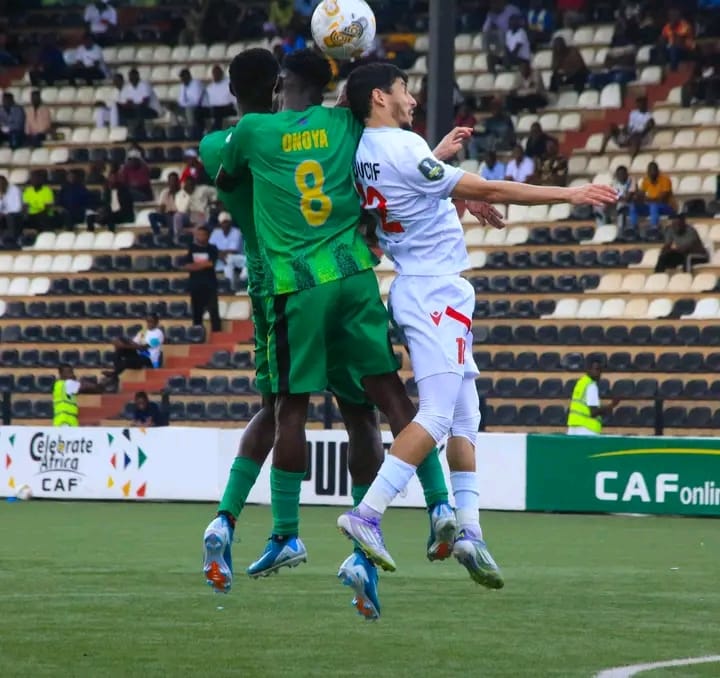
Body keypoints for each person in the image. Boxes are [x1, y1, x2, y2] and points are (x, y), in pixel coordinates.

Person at [213, 50, 476, 614]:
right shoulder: (345, 124)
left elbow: (227, 175)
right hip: (354, 276)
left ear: (280, 85)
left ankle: (284, 532)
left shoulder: (247, 133)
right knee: (382, 402)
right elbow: (387, 171)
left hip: (292, 286)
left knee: (287, 408)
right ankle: (436, 507)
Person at [337, 61, 616, 586]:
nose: (412, 98)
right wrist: (570, 195)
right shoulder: (402, 147)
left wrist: (443, 170)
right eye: (404, 89)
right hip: (433, 289)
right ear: (379, 96)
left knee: (467, 418)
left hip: (430, 286)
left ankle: (470, 532)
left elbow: (410, 190)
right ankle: (367, 514)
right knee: (437, 415)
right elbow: (488, 189)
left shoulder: (366, 150)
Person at [104, 313, 164, 382]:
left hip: (149, 359)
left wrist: (125, 346)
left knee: (126, 361)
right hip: (139, 355)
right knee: (119, 349)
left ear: (156, 322)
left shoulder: (159, 334)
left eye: (151, 322)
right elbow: (134, 343)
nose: (149, 324)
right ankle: (115, 375)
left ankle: (114, 375)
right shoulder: (143, 331)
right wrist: (122, 342)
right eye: (148, 321)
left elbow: (143, 348)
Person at [182, 226, 221, 332]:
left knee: (214, 312)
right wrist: (202, 265)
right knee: (197, 313)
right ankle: (197, 334)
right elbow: (187, 266)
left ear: (208, 236)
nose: (200, 237)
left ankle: (217, 334)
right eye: (198, 234)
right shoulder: (192, 248)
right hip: (195, 286)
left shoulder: (212, 248)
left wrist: (195, 265)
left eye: (203, 234)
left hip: (210, 285)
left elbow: (210, 264)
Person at [566, 359, 619, 435]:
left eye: (600, 370)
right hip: (586, 428)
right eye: (596, 369)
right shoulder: (591, 386)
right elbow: (593, 412)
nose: (599, 373)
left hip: (573, 427)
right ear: (588, 370)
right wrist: (612, 405)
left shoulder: (581, 383)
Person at [629, 161, 677, 229]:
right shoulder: (646, 180)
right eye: (650, 171)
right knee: (633, 206)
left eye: (653, 171)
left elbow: (662, 199)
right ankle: (633, 227)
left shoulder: (665, 180)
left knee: (653, 206)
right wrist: (637, 197)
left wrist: (647, 199)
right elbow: (641, 196)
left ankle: (654, 228)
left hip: (667, 207)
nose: (652, 173)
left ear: (657, 171)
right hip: (651, 207)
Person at [117, 68, 160, 138]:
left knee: (140, 109)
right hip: (136, 110)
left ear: (137, 76)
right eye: (130, 77)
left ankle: (142, 133)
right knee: (121, 110)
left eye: (133, 76)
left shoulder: (145, 85)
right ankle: (126, 133)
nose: (132, 79)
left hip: (152, 110)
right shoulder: (129, 87)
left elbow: (145, 102)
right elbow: (128, 102)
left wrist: (133, 105)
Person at [209, 211, 246, 291]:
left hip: (238, 258)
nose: (225, 224)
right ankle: (229, 286)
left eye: (227, 222)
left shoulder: (236, 232)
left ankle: (239, 282)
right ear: (219, 223)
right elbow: (210, 248)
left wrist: (219, 253)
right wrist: (219, 254)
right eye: (223, 222)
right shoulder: (215, 232)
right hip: (220, 260)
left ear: (230, 222)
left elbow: (233, 251)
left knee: (229, 258)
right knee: (227, 260)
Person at [173, 176, 215, 240]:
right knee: (177, 216)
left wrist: (213, 201)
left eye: (191, 184)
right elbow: (182, 210)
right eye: (188, 185)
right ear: (185, 185)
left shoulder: (202, 189)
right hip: (187, 214)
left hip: (201, 214)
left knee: (201, 224)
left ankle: (195, 240)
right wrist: (188, 195)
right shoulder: (179, 194)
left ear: (195, 184)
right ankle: (178, 238)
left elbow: (215, 191)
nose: (190, 186)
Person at [173, 68, 205, 136]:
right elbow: (181, 100)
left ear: (188, 76)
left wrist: (184, 104)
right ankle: (176, 132)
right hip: (186, 107)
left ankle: (191, 132)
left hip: (199, 108)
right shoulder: (183, 86)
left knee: (189, 109)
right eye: (181, 77)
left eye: (183, 77)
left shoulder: (196, 84)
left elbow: (196, 101)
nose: (182, 79)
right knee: (173, 110)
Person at [204, 64, 236, 131]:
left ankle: (215, 130)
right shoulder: (210, 88)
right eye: (214, 73)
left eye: (217, 73)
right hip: (214, 109)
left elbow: (235, 100)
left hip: (228, 108)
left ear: (221, 73)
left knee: (218, 112)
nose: (216, 75)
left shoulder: (229, 83)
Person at [0, 174, 22, 245]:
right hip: (3, 215)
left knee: (10, 217)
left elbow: (17, 208)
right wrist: (1, 197)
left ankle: (12, 241)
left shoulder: (14, 189)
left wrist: (4, 213)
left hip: (14, 215)